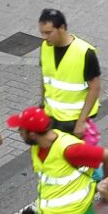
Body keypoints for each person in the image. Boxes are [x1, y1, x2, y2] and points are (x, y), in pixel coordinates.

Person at [36, 8, 101, 136]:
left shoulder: (85, 52)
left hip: (73, 122)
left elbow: (95, 88)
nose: (44, 37)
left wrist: (81, 122)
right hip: (51, 117)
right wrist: (42, 106)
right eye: (42, 33)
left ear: (62, 28)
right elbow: (45, 78)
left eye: (48, 33)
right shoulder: (45, 47)